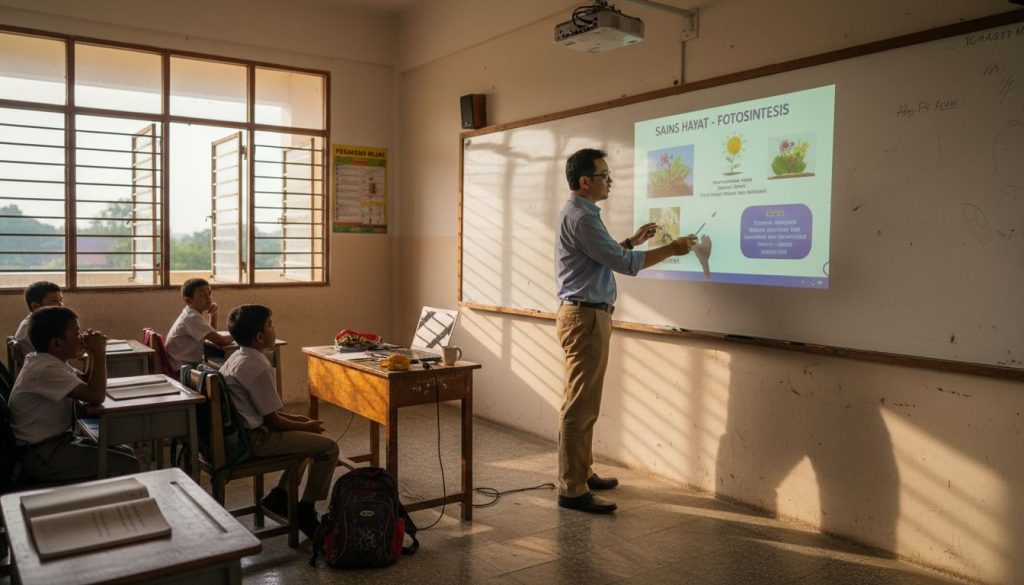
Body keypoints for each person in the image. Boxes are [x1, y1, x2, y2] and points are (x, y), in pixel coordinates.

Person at [554, 148, 697, 514]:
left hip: (587, 315)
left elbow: (604, 256)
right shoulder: (583, 217)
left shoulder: (581, 213)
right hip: (585, 317)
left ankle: (582, 473)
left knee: (586, 403)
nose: (609, 181)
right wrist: (672, 248)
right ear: (585, 181)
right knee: (580, 405)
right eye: (604, 175)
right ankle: (571, 489)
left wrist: (632, 240)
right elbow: (625, 265)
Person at [220, 304, 339, 538]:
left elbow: (266, 412)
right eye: (271, 325)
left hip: (243, 434)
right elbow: (273, 423)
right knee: (328, 449)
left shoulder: (238, 357)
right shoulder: (258, 366)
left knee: (308, 439)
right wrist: (305, 426)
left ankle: (280, 494)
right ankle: (306, 509)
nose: (275, 330)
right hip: (255, 440)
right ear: (260, 336)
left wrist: (295, 419)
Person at [9, 306, 140, 482]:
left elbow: (85, 382)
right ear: (57, 343)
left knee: (126, 452)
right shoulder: (45, 369)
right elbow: (95, 395)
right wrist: (100, 352)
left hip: (54, 444)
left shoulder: (47, 361)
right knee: (128, 463)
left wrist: (93, 353)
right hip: (41, 455)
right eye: (76, 333)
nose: (81, 338)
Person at [165, 278, 232, 376]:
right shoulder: (192, 318)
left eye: (209, 293)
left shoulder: (191, 314)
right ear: (188, 300)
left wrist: (213, 315)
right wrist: (241, 333)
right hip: (182, 371)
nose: (209, 299)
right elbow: (223, 341)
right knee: (225, 377)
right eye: (202, 295)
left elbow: (210, 337)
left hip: (183, 367)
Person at [13, 281, 64, 357]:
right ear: (36, 306)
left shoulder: (43, 323)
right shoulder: (32, 329)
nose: (61, 305)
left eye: (61, 300)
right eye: (54, 301)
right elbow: (53, 359)